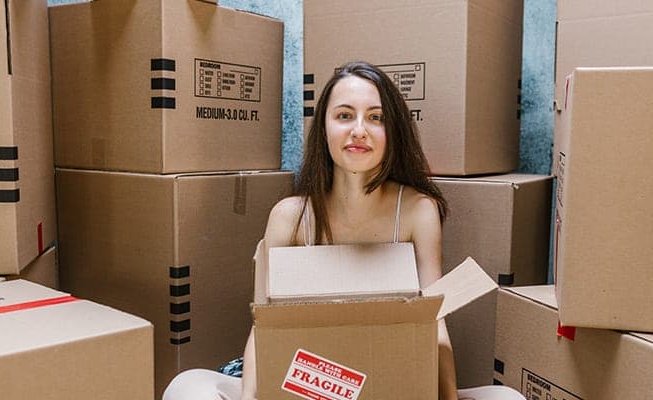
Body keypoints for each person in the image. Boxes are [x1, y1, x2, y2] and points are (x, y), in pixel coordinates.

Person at [163, 61, 526, 400]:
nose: (359, 130)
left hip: (388, 383)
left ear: (393, 129)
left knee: (509, 398)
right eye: (344, 115)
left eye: (376, 117)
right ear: (324, 127)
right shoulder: (290, 217)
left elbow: (435, 324)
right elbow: (263, 331)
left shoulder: (416, 212)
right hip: (307, 384)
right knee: (187, 386)